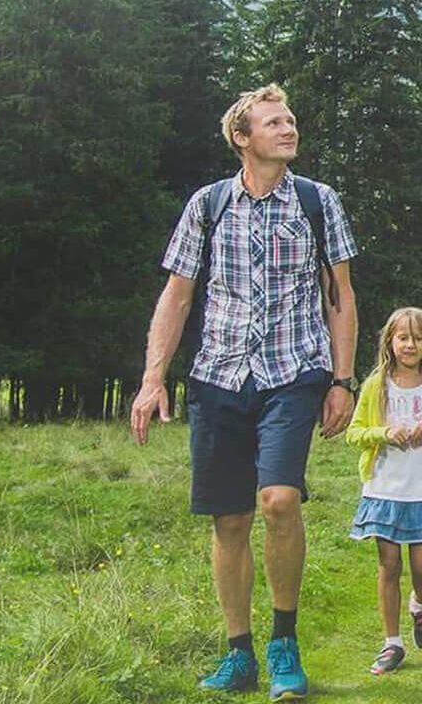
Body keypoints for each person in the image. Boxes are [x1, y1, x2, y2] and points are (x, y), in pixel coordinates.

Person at [130, 84, 360, 700]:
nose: (288, 129)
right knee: (228, 520)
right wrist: (154, 377)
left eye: (291, 119)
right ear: (242, 138)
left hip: (294, 371)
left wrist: (342, 379)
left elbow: (340, 297)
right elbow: (177, 295)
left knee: (279, 501)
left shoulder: (318, 201)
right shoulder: (207, 205)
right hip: (218, 376)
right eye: (273, 122)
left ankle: (284, 641)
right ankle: (239, 654)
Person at [344, 307, 422, 675]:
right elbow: (354, 433)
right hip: (384, 489)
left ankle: (421, 602)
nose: (410, 345)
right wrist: (383, 434)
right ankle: (391, 642)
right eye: (403, 337)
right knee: (389, 565)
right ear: (390, 342)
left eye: (417, 338)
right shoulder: (375, 386)